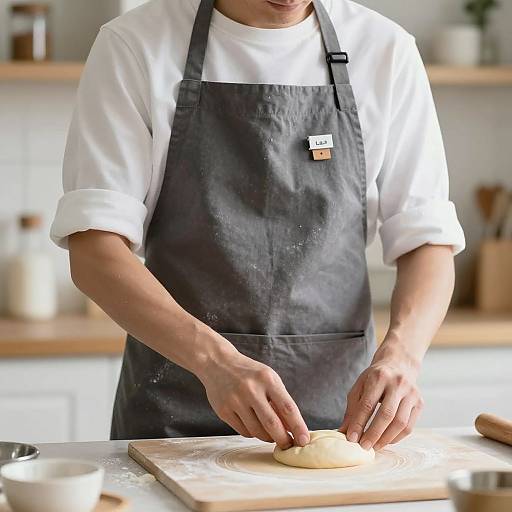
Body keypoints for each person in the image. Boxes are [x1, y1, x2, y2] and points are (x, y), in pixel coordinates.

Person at [51, 0, 465, 452]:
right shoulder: (135, 45)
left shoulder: (385, 51)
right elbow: (94, 251)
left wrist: (402, 355)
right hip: (173, 416)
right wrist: (214, 362)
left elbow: (427, 241)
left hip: (341, 424)